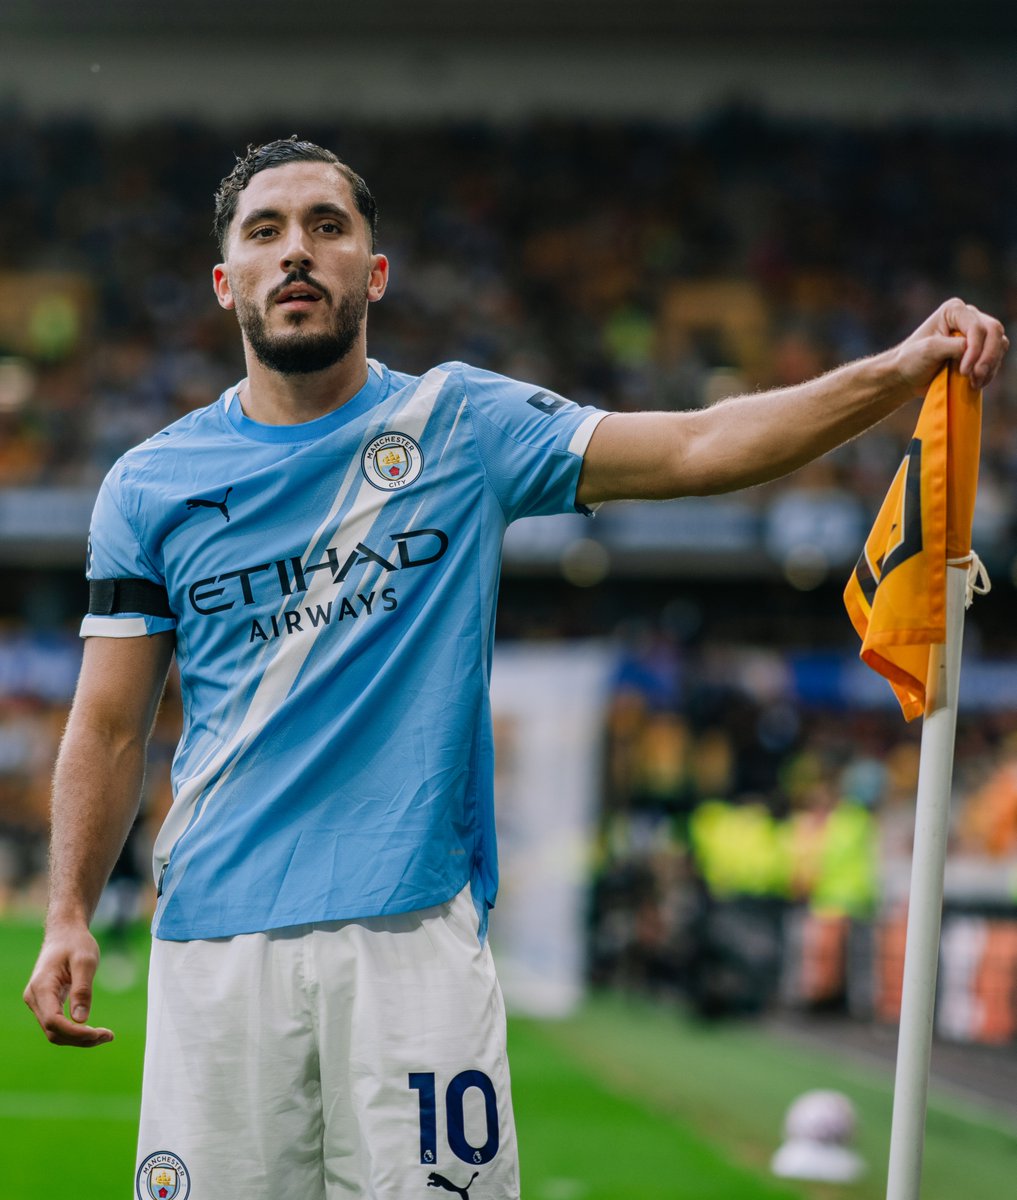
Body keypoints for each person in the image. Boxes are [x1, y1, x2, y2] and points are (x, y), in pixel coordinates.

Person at [22, 135, 1008, 1200]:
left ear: (375, 272)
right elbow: (110, 727)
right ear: (226, 284)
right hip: (216, 941)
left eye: (326, 227)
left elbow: (693, 447)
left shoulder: (458, 423)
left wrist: (895, 372)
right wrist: (69, 906)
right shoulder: (148, 485)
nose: (295, 252)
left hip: (413, 940)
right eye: (264, 232)